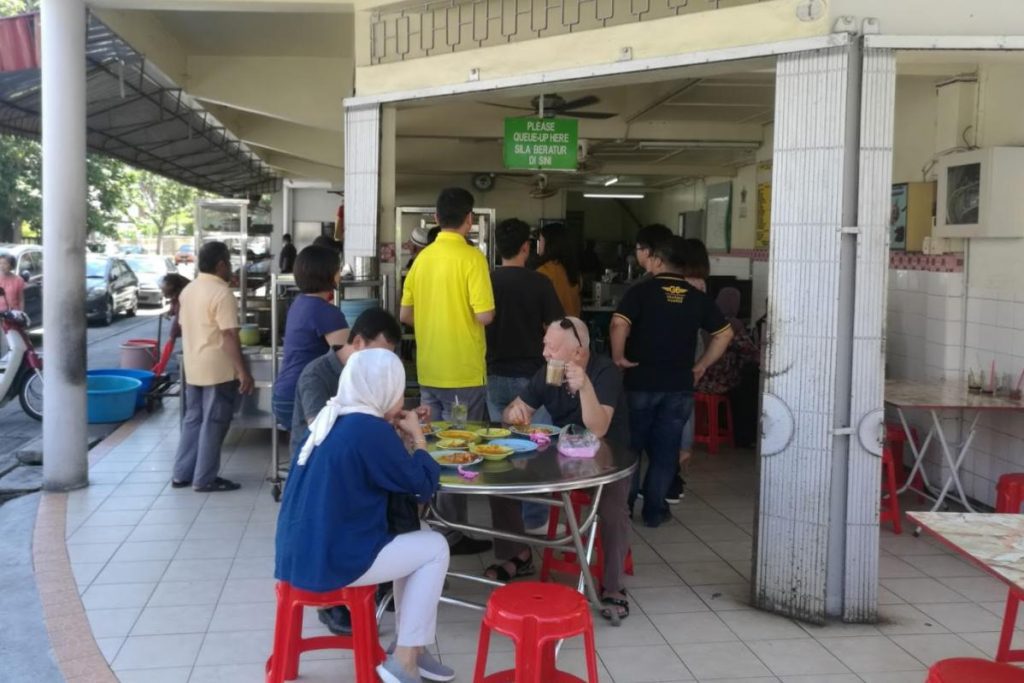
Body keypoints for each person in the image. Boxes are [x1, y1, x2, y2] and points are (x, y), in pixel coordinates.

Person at [275, 349, 449, 683]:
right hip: (334, 560)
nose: (401, 398)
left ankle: (414, 647)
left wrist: (394, 435)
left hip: (299, 553)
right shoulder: (369, 430)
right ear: (383, 388)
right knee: (436, 547)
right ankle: (405, 661)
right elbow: (421, 486)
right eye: (399, 389)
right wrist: (418, 438)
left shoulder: (332, 418)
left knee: (420, 531)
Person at [502, 317, 633, 621]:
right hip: (564, 457)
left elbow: (598, 429)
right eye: (545, 345)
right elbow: (513, 411)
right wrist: (514, 413)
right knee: (503, 481)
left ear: (577, 352)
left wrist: (584, 386)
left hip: (608, 460)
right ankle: (517, 555)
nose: (545, 353)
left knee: (613, 510)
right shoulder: (549, 372)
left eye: (552, 347)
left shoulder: (605, 372)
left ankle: (613, 587)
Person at [610, 236, 733, 527]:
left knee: (631, 449)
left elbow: (618, 323)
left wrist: (618, 357)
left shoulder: (641, 292)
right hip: (679, 385)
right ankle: (655, 511)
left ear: (657, 260)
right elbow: (724, 334)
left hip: (640, 382)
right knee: (666, 452)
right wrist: (701, 365)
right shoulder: (696, 297)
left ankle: (625, 508)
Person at [400, 187, 495, 556]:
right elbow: (484, 315)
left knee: (432, 447)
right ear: (469, 220)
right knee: (461, 453)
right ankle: (452, 534)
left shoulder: (422, 260)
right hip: (463, 373)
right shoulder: (472, 259)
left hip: (429, 370)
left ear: (437, 219)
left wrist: (434, 316)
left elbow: (405, 315)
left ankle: (434, 526)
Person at [484, 218, 563, 553]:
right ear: (526, 247)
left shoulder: (486, 280)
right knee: (536, 452)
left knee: (501, 452)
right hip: (532, 379)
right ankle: (534, 518)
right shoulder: (539, 282)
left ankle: (508, 523)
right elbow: (559, 327)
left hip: (492, 375)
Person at [173, 241, 254, 492]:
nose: (230, 268)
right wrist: (242, 371)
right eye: (229, 263)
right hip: (217, 369)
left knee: (193, 420)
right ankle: (204, 479)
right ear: (220, 265)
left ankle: (181, 474)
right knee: (213, 423)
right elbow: (229, 335)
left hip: (192, 365)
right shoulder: (221, 292)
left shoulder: (189, 290)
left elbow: (184, 326)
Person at [272, 245, 349, 433]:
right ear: (327, 273)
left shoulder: (300, 303)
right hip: (303, 395)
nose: (340, 274)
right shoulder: (327, 312)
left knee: (303, 447)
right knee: (314, 448)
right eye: (337, 269)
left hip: (284, 393)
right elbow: (349, 360)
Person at [535, 222, 581, 317]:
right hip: (573, 324)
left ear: (549, 244)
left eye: (540, 240)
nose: (538, 245)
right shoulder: (572, 271)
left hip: (553, 325)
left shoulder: (544, 271)